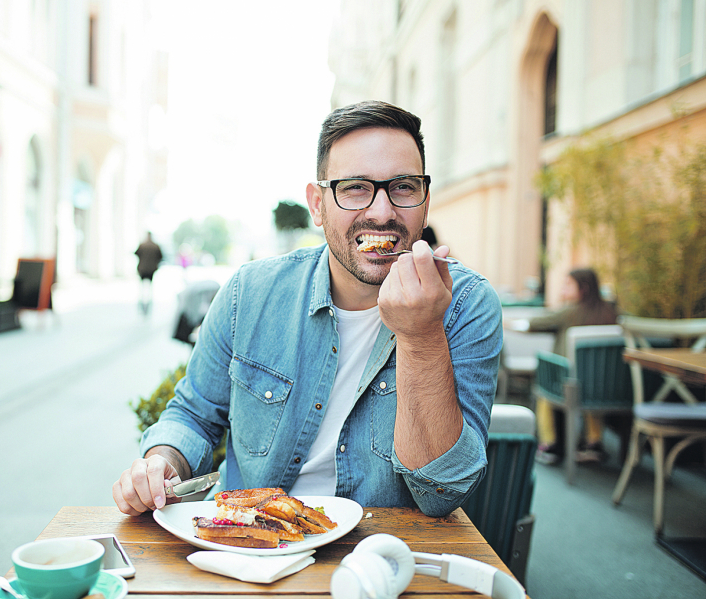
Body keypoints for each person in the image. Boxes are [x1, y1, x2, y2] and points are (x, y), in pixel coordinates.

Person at [112, 101, 503, 517]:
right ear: (317, 204)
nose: (382, 212)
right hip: (250, 547)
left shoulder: (466, 305)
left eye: (403, 187)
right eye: (355, 188)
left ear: (425, 201)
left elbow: (442, 492)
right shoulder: (250, 293)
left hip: (383, 558)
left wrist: (420, 335)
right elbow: (193, 416)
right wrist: (162, 463)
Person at [527, 268, 617, 464]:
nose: (563, 288)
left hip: (570, 384)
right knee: (592, 389)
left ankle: (550, 445)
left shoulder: (569, 313)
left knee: (544, 390)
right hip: (605, 387)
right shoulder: (610, 312)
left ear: (583, 289)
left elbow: (535, 322)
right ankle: (594, 442)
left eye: (568, 284)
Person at [134, 232, 163, 314]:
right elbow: (160, 256)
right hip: (151, 269)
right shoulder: (155, 246)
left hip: (142, 269)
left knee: (142, 287)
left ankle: (142, 304)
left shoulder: (142, 245)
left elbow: (136, 253)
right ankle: (149, 303)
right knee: (150, 287)